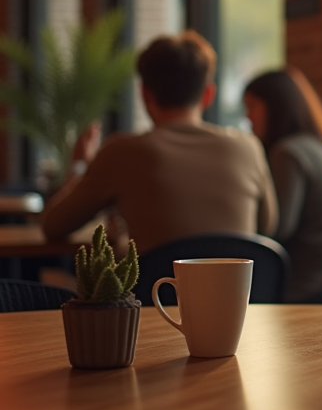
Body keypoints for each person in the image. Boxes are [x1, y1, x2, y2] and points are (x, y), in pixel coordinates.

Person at [43, 30, 277, 252]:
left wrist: (79, 166)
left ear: (145, 94)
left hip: (155, 293)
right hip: (236, 294)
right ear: (208, 95)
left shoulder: (123, 152)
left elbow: (53, 226)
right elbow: (267, 227)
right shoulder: (248, 148)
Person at [242, 68, 322, 302]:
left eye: (252, 106)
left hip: (309, 282)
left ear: (275, 107)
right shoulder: (321, 146)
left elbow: (278, 230)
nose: (248, 117)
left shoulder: (288, 152)